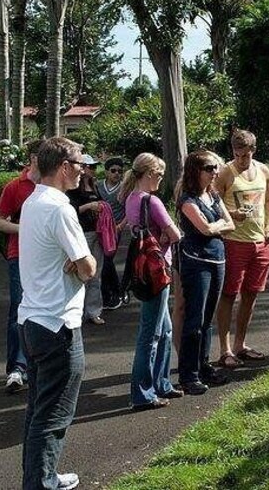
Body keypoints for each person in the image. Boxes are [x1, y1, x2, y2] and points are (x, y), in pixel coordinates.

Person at [18, 137, 96, 490]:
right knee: (53, 415)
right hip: (57, 323)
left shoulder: (34, 201)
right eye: (80, 165)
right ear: (64, 166)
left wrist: (74, 263)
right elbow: (89, 267)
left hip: (33, 320)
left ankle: (41, 476)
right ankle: (42, 483)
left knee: (39, 410)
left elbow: (72, 261)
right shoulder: (60, 208)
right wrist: (79, 264)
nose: (83, 171)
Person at [120, 152, 183, 410]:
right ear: (147, 174)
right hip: (158, 269)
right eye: (158, 174)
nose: (160, 178)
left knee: (165, 329)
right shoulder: (152, 201)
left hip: (143, 268)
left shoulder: (130, 199)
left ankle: (161, 383)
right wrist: (165, 241)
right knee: (151, 332)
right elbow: (176, 234)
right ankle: (142, 393)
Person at [214, 130, 269, 369]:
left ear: (254, 151)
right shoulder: (224, 173)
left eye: (246, 155)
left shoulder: (263, 170)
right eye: (237, 154)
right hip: (234, 241)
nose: (241, 160)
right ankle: (225, 348)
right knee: (229, 293)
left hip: (260, 242)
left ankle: (241, 344)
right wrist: (232, 214)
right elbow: (213, 204)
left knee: (251, 294)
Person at [175, 150, 235, 394]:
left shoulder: (213, 195)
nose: (215, 172)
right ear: (195, 171)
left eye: (216, 168)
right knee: (195, 318)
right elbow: (204, 229)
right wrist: (217, 226)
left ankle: (203, 366)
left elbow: (229, 224)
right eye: (209, 168)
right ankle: (188, 374)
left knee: (207, 318)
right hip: (196, 261)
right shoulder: (188, 200)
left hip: (217, 259)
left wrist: (216, 226)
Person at [0, 140, 42, 393]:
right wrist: (25, 230)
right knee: (18, 310)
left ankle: (37, 366)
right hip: (19, 255)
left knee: (42, 311)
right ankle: (16, 368)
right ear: (33, 157)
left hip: (45, 259)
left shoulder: (51, 185)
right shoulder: (15, 186)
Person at [66, 154, 105, 325]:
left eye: (94, 167)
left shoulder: (95, 186)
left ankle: (93, 311)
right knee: (82, 273)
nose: (92, 170)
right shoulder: (74, 189)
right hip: (83, 233)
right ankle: (78, 311)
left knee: (96, 274)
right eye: (90, 167)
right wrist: (89, 206)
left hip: (98, 232)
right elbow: (71, 210)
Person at [97, 156, 128, 310]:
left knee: (107, 260)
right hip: (100, 229)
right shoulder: (98, 186)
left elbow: (129, 210)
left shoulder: (124, 188)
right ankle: (108, 293)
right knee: (102, 261)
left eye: (120, 171)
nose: (117, 174)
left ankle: (117, 292)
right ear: (106, 172)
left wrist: (121, 226)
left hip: (115, 229)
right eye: (113, 171)